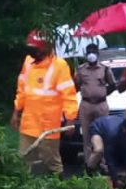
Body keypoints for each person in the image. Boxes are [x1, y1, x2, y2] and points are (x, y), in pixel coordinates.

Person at [12, 31, 78, 175]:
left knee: (51, 161)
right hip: (29, 123)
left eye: (35, 49)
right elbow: (22, 88)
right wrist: (16, 111)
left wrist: (70, 119)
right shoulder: (28, 62)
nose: (32, 53)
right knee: (24, 159)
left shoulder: (59, 66)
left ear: (45, 48)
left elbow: (68, 94)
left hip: (48, 125)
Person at [75, 43, 116, 167]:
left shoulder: (105, 69)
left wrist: (102, 94)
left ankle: (103, 163)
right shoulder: (80, 70)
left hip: (101, 105)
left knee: (103, 133)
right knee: (86, 135)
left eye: (93, 51)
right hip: (86, 104)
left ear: (97, 54)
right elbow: (76, 86)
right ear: (86, 54)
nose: (91, 54)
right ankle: (89, 164)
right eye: (89, 52)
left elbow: (113, 85)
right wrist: (75, 78)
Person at [87, 113, 126, 189]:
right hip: (98, 128)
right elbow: (109, 157)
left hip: (113, 126)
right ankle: (89, 171)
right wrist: (115, 179)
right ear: (124, 129)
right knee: (99, 150)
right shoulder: (112, 134)